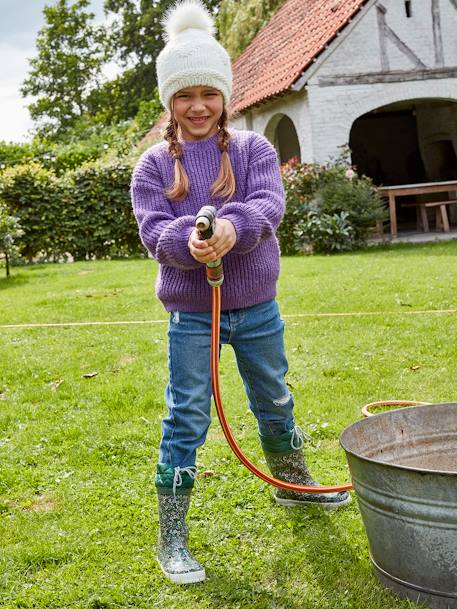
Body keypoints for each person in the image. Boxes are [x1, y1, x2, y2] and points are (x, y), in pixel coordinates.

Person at [130, 0, 350, 586]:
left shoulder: (253, 149)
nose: (197, 106)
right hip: (191, 316)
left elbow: (267, 206)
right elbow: (154, 230)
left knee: (274, 396)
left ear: (225, 96)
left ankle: (294, 483)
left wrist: (234, 228)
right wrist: (189, 241)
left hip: (256, 308)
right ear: (168, 101)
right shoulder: (152, 165)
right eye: (184, 95)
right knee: (187, 416)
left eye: (208, 93)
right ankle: (171, 536)